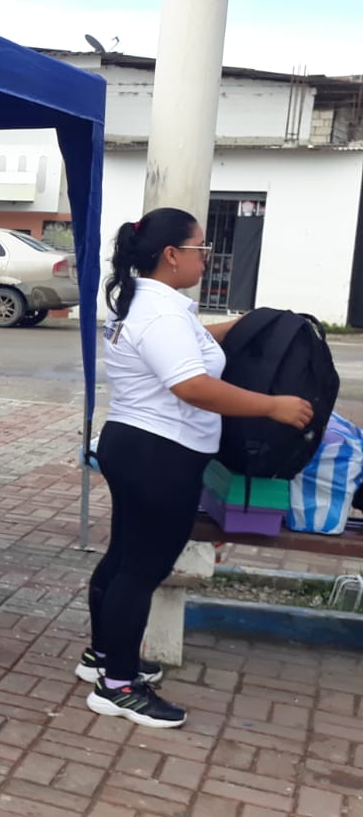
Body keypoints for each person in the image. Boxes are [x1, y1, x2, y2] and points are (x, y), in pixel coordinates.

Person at [84, 207, 312, 728]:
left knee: (124, 558)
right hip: (158, 455)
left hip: (136, 446)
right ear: (171, 255)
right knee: (142, 569)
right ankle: (117, 686)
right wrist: (273, 406)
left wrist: (251, 325)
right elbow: (191, 385)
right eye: (200, 248)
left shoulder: (151, 302)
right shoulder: (161, 313)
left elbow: (192, 343)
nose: (206, 258)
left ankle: (104, 657)